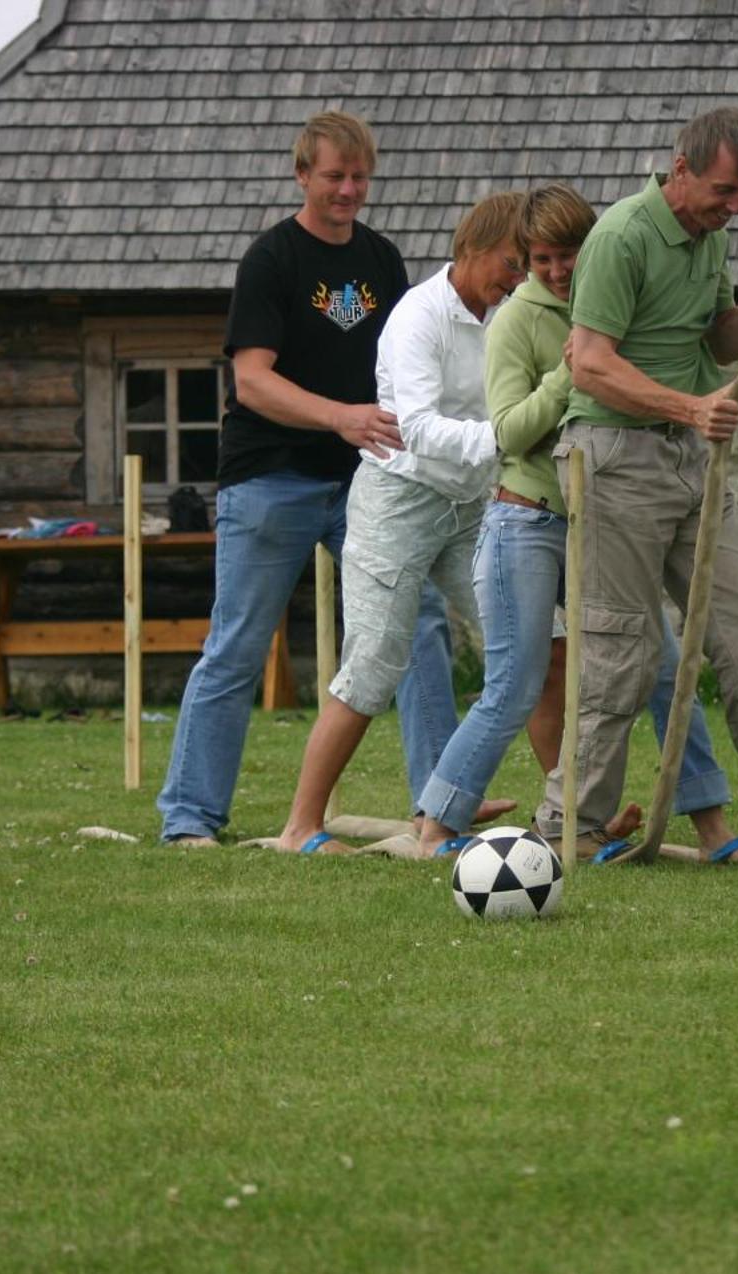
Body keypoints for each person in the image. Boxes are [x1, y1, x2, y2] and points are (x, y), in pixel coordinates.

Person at [412, 183, 738, 862]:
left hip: (600, 524)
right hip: (526, 523)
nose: (559, 270)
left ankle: (713, 827)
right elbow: (507, 433)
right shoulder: (514, 323)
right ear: (526, 261)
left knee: (661, 668)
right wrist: (571, 380)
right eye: (542, 260)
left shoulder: (615, 303)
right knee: (515, 683)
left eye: (569, 256)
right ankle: (436, 828)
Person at [155, 111, 458, 847]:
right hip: (270, 479)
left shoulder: (383, 260)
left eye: (359, 177)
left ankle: (441, 804)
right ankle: (190, 819)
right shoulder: (271, 260)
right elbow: (252, 383)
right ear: (302, 175)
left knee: (417, 624)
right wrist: (340, 417)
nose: (349, 190)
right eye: (334, 177)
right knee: (239, 643)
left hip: (369, 480)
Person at [546, 107, 738, 863]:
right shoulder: (621, 236)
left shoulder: (711, 239)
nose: (735, 207)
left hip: (691, 461)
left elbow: (711, 334)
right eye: (725, 191)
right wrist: (691, 406)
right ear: (680, 169)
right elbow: (591, 363)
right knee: (619, 649)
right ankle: (572, 821)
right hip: (612, 457)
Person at [271, 192, 529, 853]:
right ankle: (301, 825)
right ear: (472, 247)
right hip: (398, 499)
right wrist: (509, 437)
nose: (520, 274)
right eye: (511, 260)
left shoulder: (513, 313)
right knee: (376, 661)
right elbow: (413, 427)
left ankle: (559, 813)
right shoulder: (418, 318)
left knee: (532, 642)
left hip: (472, 504)